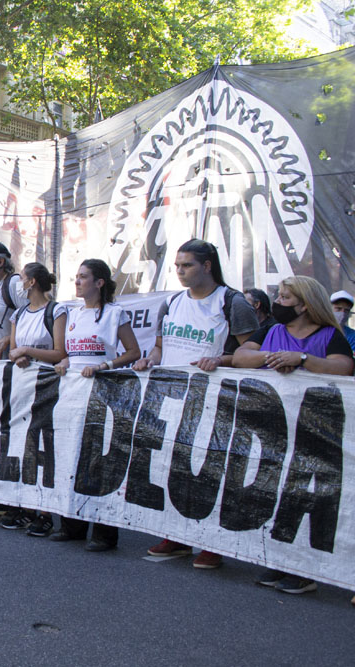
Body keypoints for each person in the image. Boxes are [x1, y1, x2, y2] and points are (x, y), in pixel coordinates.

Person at [133, 239, 258, 569]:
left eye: (186, 265)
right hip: (175, 399)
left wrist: (222, 360)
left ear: (207, 266)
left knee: (213, 470)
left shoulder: (232, 303)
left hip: (217, 399)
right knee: (175, 468)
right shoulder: (172, 302)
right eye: (177, 265)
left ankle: (212, 543)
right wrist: (150, 360)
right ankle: (177, 536)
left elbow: (252, 353)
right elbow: (159, 347)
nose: (180, 271)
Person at [233, 276, 353, 595]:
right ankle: (282, 561)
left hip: (316, 429)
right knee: (278, 492)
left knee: (306, 496)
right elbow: (242, 356)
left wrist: (301, 360)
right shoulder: (273, 331)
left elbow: (343, 367)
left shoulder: (329, 335)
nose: (279, 302)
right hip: (276, 428)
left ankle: (305, 570)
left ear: (304, 304)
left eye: (286, 297)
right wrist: (272, 358)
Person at [52, 259, 140, 552]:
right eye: (75, 277)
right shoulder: (72, 314)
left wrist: (106, 365)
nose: (77, 282)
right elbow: (69, 354)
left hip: (105, 393)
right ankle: (71, 524)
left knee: (100, 461)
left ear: (99, 283)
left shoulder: (115, 313)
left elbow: (133, 352)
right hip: (74, 395)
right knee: (72, 458)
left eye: (83, 277)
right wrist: (65, 362)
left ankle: (104, 532)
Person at [1, 262, 67, 536]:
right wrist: (20, 355)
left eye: (23, 279)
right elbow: (14, 351)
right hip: (24, 386)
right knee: (24, 444)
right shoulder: (18, 313)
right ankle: (25, 505)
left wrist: (29, 351)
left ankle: (46, 510)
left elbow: (60, 352)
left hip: (50, 385)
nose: (19, 283)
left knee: (47, 445)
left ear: (33, 282)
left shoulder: (56, 310)